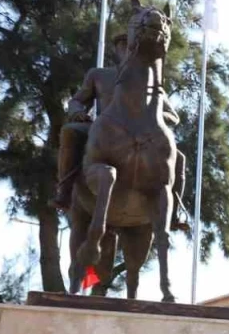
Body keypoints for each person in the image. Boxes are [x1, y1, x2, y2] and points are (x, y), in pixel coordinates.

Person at [51, 33, 189, 230]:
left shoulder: (151, 81)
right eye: (122, 46)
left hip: (144, 134)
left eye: (130, 46)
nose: (126, 50)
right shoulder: (98, 75)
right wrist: (77, 113)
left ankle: (174, 213)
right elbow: (77, 100)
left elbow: (173, 115)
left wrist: (155, 116)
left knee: (179, 158)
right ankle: (64, 191)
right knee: (69, 132)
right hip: (102, 131)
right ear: (116, 51)